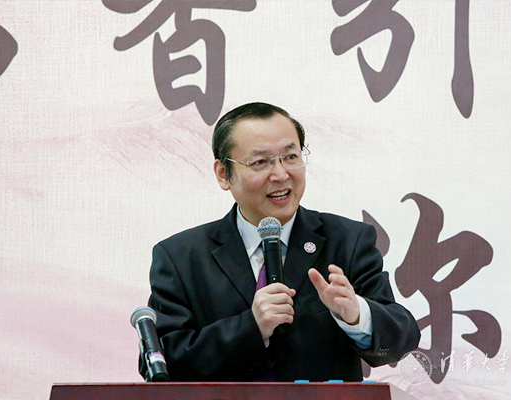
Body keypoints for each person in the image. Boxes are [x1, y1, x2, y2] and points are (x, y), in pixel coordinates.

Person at [143, 102, 420, 382]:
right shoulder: (180, 257)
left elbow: (402, 341)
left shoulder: (348, 240)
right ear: (223, 174)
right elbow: (162, 363)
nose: (281, 174)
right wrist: (251, 328)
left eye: (290, 157)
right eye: (260, 162)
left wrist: (358, 315)